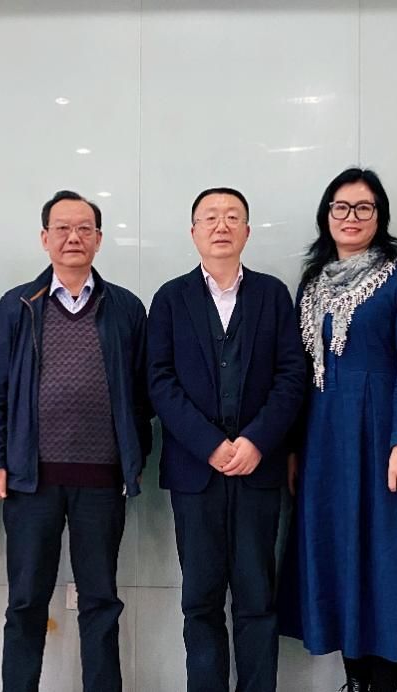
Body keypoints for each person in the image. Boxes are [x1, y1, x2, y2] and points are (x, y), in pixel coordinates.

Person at [0, 190, 152, 692]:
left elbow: (144, 392)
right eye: (62, 228)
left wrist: (133, 456)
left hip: (102, 481)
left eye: (84, 228)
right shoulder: (18, 305)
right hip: (30, 479)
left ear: (99, 238)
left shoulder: (125, 307)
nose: (73, 237)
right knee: (26, 601)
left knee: (100, 601)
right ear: (44, 238)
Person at [147, 187, 306, 692]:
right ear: (193, 231)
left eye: (232, 217)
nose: (221, 225)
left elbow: (292, 376)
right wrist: (209, 444)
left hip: (259, 470)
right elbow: (159, 381)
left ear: (247, 231)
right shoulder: (170, 298)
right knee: (200, 600)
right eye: (210, 217)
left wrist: (257, 440)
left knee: (258, 600)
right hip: (195, 473)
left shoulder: (272, 296)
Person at [279, 167, 397, 692]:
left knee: (385, 557)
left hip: (380, 437)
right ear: (327, 215)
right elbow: (298, 372)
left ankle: (382, 684)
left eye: (364, 208)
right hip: (323, 440)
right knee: (337, 550)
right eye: (341, 207)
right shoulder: (312, 283)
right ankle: (354, 681)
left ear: (379, 216)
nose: (351, 217)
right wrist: (294, 448)